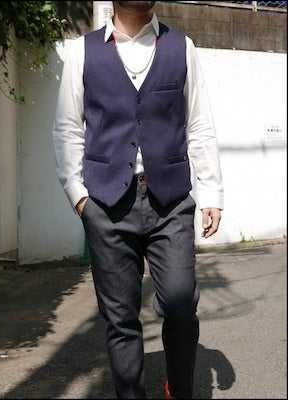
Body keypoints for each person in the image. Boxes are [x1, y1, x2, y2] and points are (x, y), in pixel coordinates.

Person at [52, 1, 223, 398]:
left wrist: (212, 192)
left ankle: (179, 389)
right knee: (121, 318)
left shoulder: (181, 47)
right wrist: (79, 198)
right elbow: (67, 128)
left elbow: (199, 124)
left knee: (181, 306)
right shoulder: (82, 51)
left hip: (171, 201)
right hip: (106, 204)